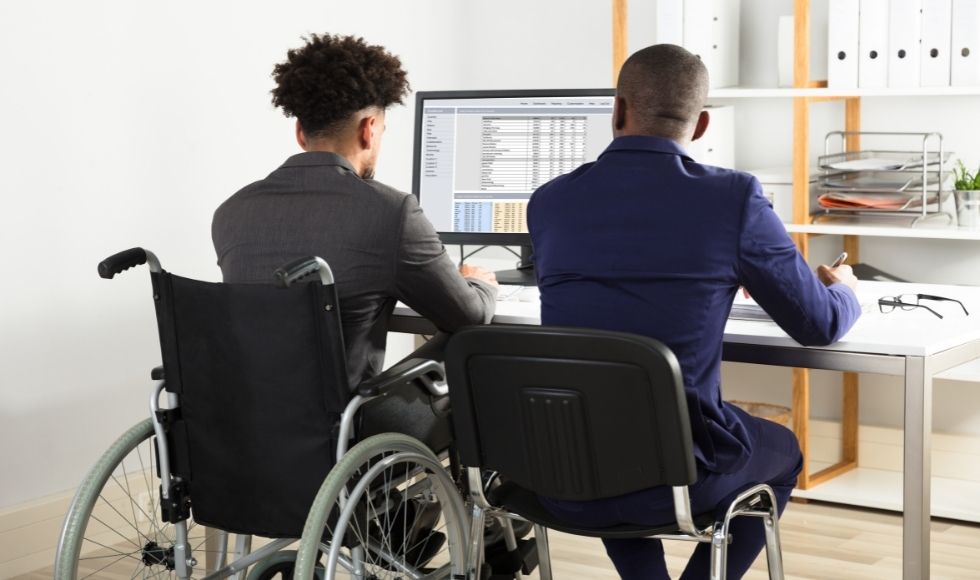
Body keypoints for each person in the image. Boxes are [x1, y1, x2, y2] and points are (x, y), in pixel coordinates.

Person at [528, 44, 862, 579]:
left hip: (562, 473)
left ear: (616, 110)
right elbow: (818, 324)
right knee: (786, 452)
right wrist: (843, 287)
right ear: (702, 124)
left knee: (615, 430)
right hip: (680, 477)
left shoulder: (549, 201)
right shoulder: (733, 198)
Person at [212, 34, 498, 393]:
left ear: (300, 132)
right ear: (369, 129)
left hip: (247, 425)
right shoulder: (392, 212)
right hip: (347, 427)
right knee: (466, 342)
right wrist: (480, 284)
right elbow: (467, 315)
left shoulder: (231, 212)